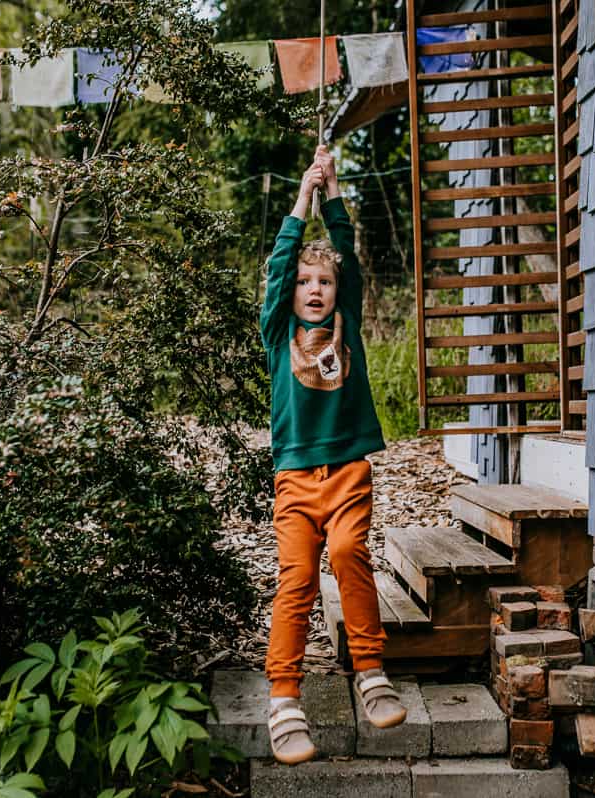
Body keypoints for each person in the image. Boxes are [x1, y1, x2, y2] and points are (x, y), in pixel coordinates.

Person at [259, 145, 406, 765]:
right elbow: (277, 267)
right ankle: (284, 698)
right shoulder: (277, 333)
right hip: (295, 477)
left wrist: (334, 190)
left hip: (347, 471)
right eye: (304, 283)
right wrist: (302, 198)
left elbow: (344, 251)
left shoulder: (346, 319)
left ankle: (370, 672)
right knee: (295, 579)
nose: (313, 289)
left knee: (348, 553)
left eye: (323, 282)